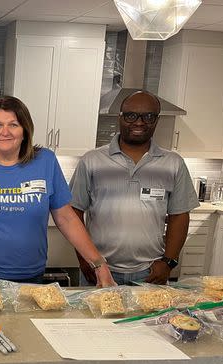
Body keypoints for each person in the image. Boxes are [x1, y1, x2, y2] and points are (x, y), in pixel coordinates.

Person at [0, 96, 115, 286]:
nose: (5, 132)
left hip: (31, 277)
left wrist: (98, 263)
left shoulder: (45, 162)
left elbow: (66, 218)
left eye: (13, 125)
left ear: (25, 131)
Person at [70, 90, 199, 286]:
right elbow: (73, 212)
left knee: (150, 319)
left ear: (156, 120)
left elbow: (180, 215)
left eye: (148, 116)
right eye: (131, 115)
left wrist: (168, 262)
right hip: (100, 270)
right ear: (120, 117)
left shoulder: (173, 163)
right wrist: (85, 260)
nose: (139, 122)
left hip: (150, 273)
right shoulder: (92, 161)